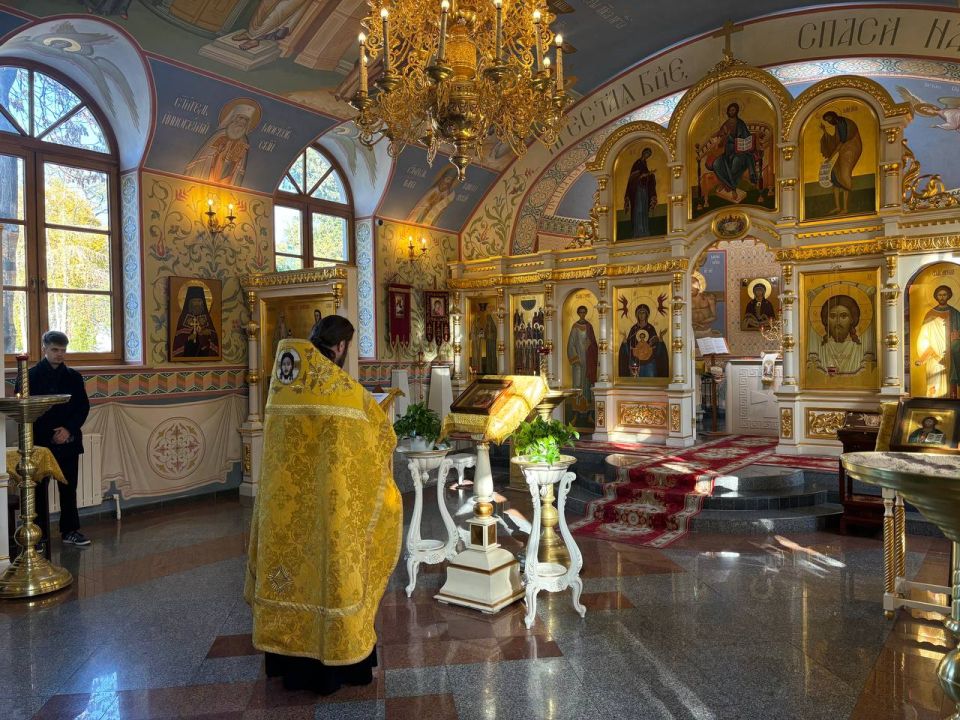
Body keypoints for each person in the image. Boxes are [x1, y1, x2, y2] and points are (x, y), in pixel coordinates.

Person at [245, 316, 402, 695]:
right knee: (332, 577)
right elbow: (379, 436)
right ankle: (336, 664)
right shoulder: (342, 390)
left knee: (290, 579)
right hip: (331, 511)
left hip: (284, 514)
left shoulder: (283, 383)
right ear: (341, 346)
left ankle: (286, 661)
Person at [26, 331, 91, 547]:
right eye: (55, 350)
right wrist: (50, 434)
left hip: (68, 439)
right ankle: (39, 535)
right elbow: (27, 410)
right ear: (44, 348)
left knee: (69, 487)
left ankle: (70, 530)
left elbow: (82, 407)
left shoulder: (74, 377)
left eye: (63, 350)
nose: (59, 354)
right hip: (41, 441)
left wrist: (68, 430)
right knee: (38, 490)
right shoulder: (29, 377)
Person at [185, 98, 261, 186]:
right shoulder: (220, 134)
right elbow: (207, 154)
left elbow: (240, 166)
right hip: (211, 173)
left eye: (246, 120)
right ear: (234, 118)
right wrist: (221, 152)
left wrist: (233, 158)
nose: (243, 122)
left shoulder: (244, 140)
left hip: (228, 178)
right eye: (241, 118)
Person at [705, 102, 759, 204]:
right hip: (726, 152)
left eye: (733, 110)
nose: (731, 112)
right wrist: (723, 137)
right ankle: (730, 186)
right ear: (727, 111)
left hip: (739, 151)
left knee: (737, 163)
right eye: (730, 110)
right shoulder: (725, 125)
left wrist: (746, 143)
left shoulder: (741, 123)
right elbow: (719, 138)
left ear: (737, 111)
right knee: (716, 164)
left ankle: (729, 187)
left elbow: (747, 137)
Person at [916, 284, 960, 398]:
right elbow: (923, 337)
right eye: (940, 295)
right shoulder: (930, 314)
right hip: (933, 356)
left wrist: (956, 342)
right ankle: (933, 404)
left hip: (950, 356)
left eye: (944, 295)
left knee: (950, 384)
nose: (942, 297)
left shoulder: (955, 313)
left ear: (949, 296)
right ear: (936, 296)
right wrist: (931, 353)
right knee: (934, 384)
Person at [819, 111, 862, 216]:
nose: (829, 122)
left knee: (844, 175)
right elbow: (835, 141)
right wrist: (824, 131)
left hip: (850, 149)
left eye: (829, 119)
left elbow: (841, 142)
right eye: (827, 120)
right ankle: (838, 207)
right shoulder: (838, 125)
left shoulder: (842, 123)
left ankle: (845, 208)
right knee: (834, 176)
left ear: (834, 116)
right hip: (843, 150)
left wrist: (831, 158)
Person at [815, 294, 865, 374]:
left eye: (843, 316)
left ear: (852, 319)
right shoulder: (821, 349)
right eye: (832, 316)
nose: (838, 322)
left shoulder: (859, 348)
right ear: (826, 320)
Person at [618, 304, 668, 378]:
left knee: (650, 380)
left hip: (649, 362)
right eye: (640, 313)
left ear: (646, 315)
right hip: (636, 362)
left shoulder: (651, 328)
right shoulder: (634, 329)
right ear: (637, 315)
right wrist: (625, 341)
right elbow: (629, 345)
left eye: (643, 313)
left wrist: (660, 338)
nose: (641, 315)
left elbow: (656, 346)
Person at [171, 284, 220, 359]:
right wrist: (188, 338)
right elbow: (178, 339)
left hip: (205, 353)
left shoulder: (206, 317)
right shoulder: (184, 317)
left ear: (202, 303)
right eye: (194, 301)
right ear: (190, 303)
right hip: (188, 352)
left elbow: (214, 336)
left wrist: (209, 332)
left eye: (199, 301)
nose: (197, 304)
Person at [567, 305, 598, 409]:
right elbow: (570, 344)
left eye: (584, 312)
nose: (582, 314)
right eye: (580, 312)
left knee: (587, 381)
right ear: (578, 313)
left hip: (588, 359)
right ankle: (577, 407)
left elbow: (594, 343)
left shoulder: (589, 326)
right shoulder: (575, 327)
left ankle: (588, 406)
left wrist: (591, 344)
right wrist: (575, 358)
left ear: (586, 313)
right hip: (578, 360)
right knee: (578, 381)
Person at [624, 147, 657, 238]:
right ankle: (638, 231)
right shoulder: (637, 163)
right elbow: (635, 177)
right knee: (638, 209)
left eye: (649, 155)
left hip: (644, 190)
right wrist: (648, 174)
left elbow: (644, 176)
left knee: (644, 209)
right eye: (647, 153)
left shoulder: (644, 164)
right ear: (643, 153)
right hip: (637, 190)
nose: (647, 156)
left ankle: (644, 231)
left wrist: (650, 176)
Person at [471, 302, 498, 375]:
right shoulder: (475, 324)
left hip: (492, 342)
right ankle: (485, 370)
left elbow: (495, 333)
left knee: (492, 355)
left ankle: (492, 370)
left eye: (488, 319)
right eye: (478, 318)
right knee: (485, 356)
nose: (487, 320)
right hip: (481, 342)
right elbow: (474, 334)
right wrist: (482, 335)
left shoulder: (493, 324)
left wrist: (487, 335)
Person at [691, 272, 717, 337]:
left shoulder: (709, 298)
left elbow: (714, 316)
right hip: (691, 331)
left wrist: (702, 322)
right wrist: (694, 323)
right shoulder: (686, 300)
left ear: (699, 285)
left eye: (693, 283)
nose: (690, 286)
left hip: (706, 330)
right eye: (688, 283)